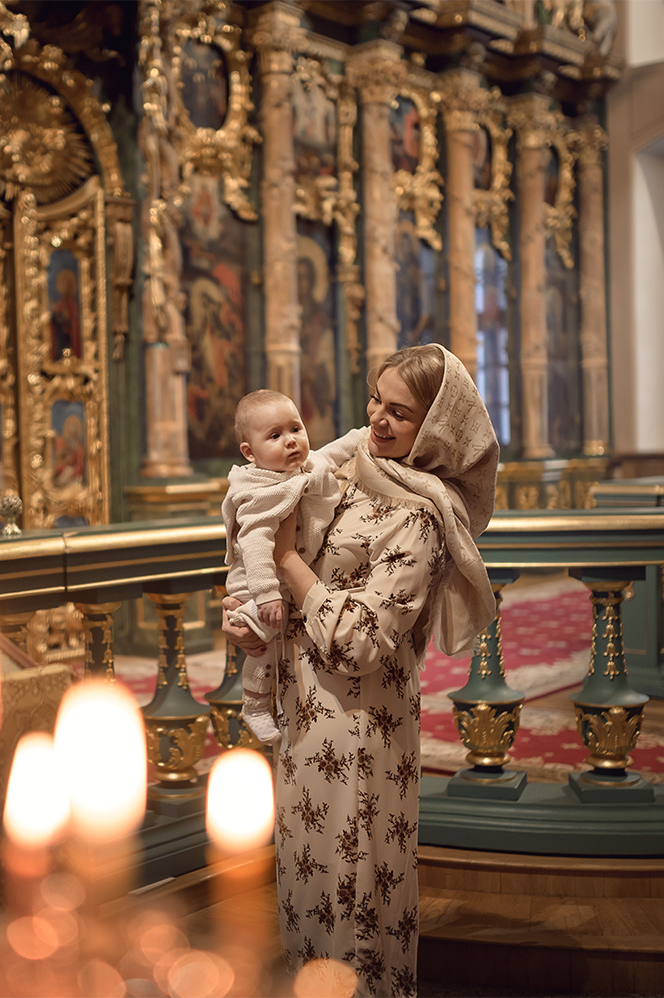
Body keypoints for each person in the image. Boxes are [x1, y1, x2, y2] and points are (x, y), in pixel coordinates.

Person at [222, 344, 499, 997]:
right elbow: (259, 545)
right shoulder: (344, 471)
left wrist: (288, 562)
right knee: (308, 886)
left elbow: (357, 641)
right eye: (376, 399)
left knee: (355, 900)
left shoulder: (421, 514)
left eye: (399, 412)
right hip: (303, 719)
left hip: (360, 734)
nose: (376, 418)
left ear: (433, 426)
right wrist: (249, 619)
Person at [222, 391, 363, 744]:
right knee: (262, 643)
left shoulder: (304, 467)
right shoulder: (259, 491)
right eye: (275, 436)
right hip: (256, 586)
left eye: (296, 428)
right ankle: (253, 705)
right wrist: (267, 594)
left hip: (286, 585)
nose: (291, 441)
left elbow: (330, 453)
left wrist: (360, 436)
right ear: (249, 453)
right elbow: (254, 544)